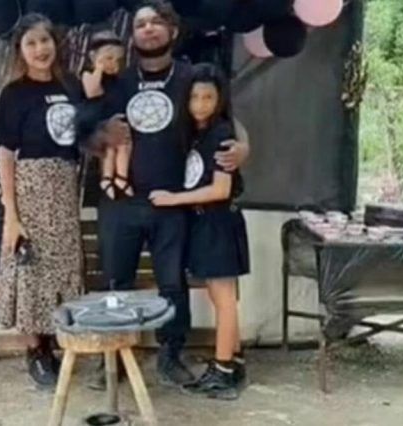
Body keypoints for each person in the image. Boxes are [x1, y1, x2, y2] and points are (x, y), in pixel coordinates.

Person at [78, 0, 250, 387]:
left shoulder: (191, 77)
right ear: (132, 35)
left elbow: (228, 122)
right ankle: (112, 359)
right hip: (120, 203)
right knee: (117, 282)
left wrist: (244, 149)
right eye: (140, 23)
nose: (148, 28)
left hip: (171, 203)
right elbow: (83, 134)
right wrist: (102, 134)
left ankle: (171, 355)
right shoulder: (116, 80)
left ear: (173, 31)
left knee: (172, 284)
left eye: (157, 22)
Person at [150, 63, 250, 400]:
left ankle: (223, 370)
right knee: (220, 297)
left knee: (224, 299)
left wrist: (172, 199)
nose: (200, 104)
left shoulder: (221, 134)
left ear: (220, 99)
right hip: (205, 223)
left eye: (208, 97)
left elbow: (221, 189)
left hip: (218, 222)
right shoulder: (198, 133)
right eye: (194, 97)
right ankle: (233, 361)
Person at [0, 13, 83, 388]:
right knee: (29, 266)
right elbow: (6, 155)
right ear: (21, 51)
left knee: (62, 267)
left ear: (54, 44)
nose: (40, 49)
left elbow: (86, 134)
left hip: (64, 187)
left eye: (44, 40)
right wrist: (11, 215)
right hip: (29, 188)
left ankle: (60, 340)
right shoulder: (13, 94)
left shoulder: (71, 86)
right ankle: (36, 351)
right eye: (31, 43)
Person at [80, 28, 133, 199]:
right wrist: (98, 68)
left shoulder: (118, 81)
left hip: (118, 118)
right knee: (109, 149)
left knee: (124, 146)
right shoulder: (88, 75)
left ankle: (121, 177)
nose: (113, 64)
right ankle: (107, 177)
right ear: (93, 57)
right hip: (101, 122)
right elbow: (92, 91)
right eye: (108, 58)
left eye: (118, 60)